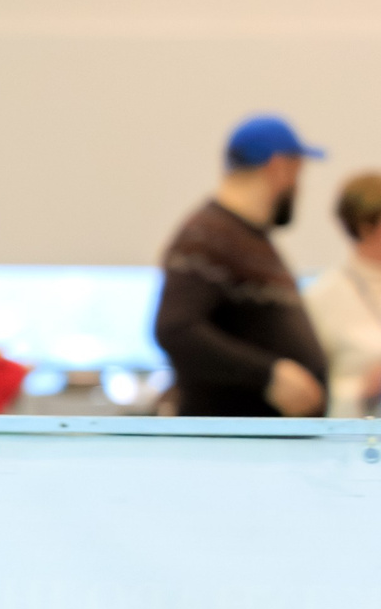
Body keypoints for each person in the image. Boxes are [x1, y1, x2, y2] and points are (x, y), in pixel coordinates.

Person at [153, 115, 328, 418]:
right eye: (298, 173)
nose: (299, 188)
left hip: (263, 451)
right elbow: (175, 328)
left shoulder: (245, 237)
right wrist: (269, 375)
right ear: (279, 167)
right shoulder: (206, 237)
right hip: (231, 453)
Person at [306, 171, 381, 418]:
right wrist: (362, 390)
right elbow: (310, 394)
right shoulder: (324, 296)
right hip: (356, 442)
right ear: (367, 226)